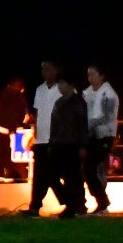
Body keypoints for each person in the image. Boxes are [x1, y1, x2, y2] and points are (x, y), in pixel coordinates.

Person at [43, 64, 88, 215]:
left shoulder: (78, 102)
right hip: (59, 144)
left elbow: (82, 125)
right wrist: (51, 142)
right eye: (59, 83)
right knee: (52, 175)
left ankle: (75, 206)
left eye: (63, 83)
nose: (60, 86)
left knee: (73, 177)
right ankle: (72, 203)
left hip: (73, 145)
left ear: (71, 85)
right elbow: (54, 125)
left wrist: (82, 146)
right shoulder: (59, 103)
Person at [28, 61, 69, 214]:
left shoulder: (62, 88)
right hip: (41, 139)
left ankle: (68, 200)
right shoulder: (40, 89)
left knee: (51, 174)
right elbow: (38, 113)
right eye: (43, 70)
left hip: (56, 139)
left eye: (48, 69)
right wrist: (35, 135)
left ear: (56, 70)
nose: (45, 73)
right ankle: (34, 206)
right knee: (39, 175)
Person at [82, 64, 120, 214]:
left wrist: (87, 125)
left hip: (105, 136)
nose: (90, 78)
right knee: (89, 168)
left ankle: (102, 202)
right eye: (88, 74)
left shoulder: (109, 95)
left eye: (93, 74)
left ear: (101, 76)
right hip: (92, 136)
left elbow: (105, 116)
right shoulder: (88, 93)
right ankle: (101, 201)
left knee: (90, 167)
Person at [0, 76, 29, 182]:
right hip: (2, 129)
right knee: (2, 154)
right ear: (21, 89)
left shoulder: (0, 94)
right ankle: (1, 177)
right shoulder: (18, 96)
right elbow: (23, 115)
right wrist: (19, 124)